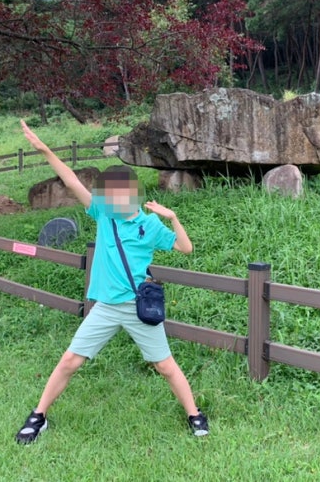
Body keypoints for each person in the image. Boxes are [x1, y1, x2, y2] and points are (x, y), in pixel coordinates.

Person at [15, 120, 208, 444]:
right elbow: (71, 180)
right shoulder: (103, 214)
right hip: (105, 307)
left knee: (165, 366)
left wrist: (172, 217)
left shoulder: (149, 225)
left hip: (138, 307)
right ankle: (39, 416)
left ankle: (194, 415)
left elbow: (185, 248)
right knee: (70, 361)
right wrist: (45, 150)